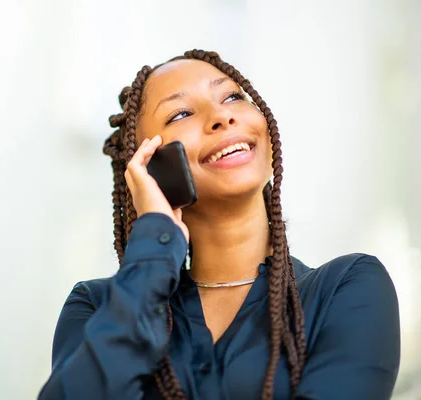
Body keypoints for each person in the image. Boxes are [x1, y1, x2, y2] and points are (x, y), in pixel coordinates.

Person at [38, 50, 400, 400]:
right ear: (148, 168)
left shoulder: (348, 288)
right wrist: (155, 245)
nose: (222, 116)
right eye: (180, 114)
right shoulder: (95, 307)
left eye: (232, 96)